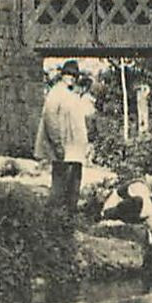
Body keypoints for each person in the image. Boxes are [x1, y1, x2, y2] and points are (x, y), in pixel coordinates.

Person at [34, 60, 97, 214]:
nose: (71, 77)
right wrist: (57, 145)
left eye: (74, 75)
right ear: (62, 75)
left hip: (75, 151)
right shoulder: (56, 93)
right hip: (64, 150)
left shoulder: (72, 95)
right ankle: (53, 221)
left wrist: (86, 145)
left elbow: (80, 123)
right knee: (60, 189)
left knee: (73, 188)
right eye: (68, 74)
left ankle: (69, 220)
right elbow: (50, 119)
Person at [98, 172, 152, 256]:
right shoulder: (138, 185)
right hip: (113, 210)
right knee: (138, 202)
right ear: (147, 175)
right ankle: (106, 218)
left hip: (130, 214)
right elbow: (145, 210)